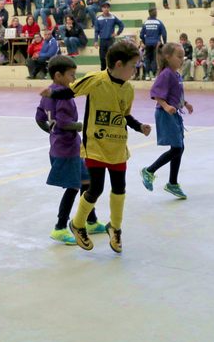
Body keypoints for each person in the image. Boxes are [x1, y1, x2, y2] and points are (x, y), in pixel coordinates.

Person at [40, 41, 152, 253]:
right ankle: (78, 223)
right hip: (96, 146)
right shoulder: (96, 79)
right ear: (119, 64)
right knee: (96, 188)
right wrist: (52, 94)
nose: (135, 70)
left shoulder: (128, 89)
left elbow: (125, 115)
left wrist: (139, 127)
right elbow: (71, 91)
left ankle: (115, 228)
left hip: (118, 146)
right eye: (133, 65)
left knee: (120, 189)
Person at [36, 56, 106, 245]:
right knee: (73, 187)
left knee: (87, 181)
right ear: (58, 75)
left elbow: (39, 117)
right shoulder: (63, 95)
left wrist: (51, 131)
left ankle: (90, 220)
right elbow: (66, 123)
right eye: (71, 75)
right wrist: (80, 126)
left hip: (65, 147)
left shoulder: (48, 94)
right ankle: (59, 227)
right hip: (67, 150)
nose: (73, 79)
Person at [140, 42, 193, 200]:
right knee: (177, 148)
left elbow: (176, 94)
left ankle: (172, 183)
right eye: (179, 56)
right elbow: (156, 93)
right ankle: (149, 171)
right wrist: (165, 105)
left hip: (173, 113)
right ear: (168, 57)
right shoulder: (166, 73)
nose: (182, 59)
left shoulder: (176, 74)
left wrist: (185, 103)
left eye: (183, 56)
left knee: (180, 147)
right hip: (165, 113)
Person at [94, 2, 124, 71]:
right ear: (102, 9)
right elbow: (96, 31)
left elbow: (121, 25)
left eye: (107, 7)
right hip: (102, 41)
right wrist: (95, 41)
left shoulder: (113, 17)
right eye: (104, 7)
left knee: (111, 57)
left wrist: (117, 33)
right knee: (102, 58)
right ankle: (103, 72)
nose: (106, 9)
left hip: (111, 40)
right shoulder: (98, 18)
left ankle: (112, 72)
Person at [139, 7, 167, 81]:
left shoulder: (145, 23)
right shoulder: (159, 23)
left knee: (147, 58)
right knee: (154, 58)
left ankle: (147, 74)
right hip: (156, 43)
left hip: (148, 43)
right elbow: (164, 34)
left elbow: (141, 35)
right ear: (155, 14)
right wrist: (165, 43)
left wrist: (145, 42)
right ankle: (154, 75)